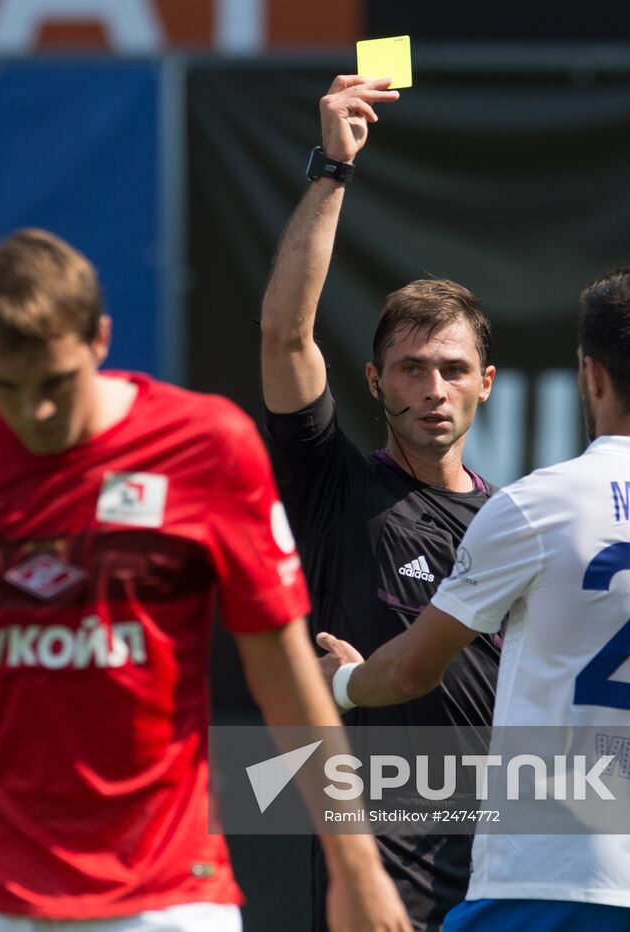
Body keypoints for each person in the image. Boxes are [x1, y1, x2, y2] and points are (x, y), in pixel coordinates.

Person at [0, 228, 410, 932]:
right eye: (7, 386)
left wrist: (357, 867)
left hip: (167, 895)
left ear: (100, 339)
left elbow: (286, 673)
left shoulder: (207, 444)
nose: (35, 412)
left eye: (55, 383)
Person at [317, 264, 630, 931]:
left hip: (545, 877)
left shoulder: (539, 506)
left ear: (592, 374)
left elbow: (412, 669)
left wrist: (342, 683)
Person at [261, 76, 499, 930]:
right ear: (374, 380)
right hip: (379, 876)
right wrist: (333, 170)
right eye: (411, 368)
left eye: (452, 370)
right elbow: (285, 335)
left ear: (485, 385)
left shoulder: (515, 525)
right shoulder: (335, 485)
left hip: (509, 871)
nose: (433, 389)